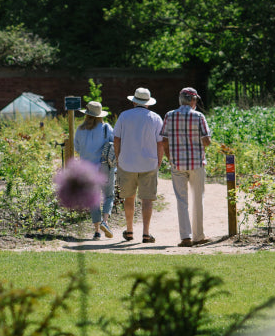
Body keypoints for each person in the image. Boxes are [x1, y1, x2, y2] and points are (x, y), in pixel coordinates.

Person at [160, 87, 211, 247]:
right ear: (193, 101)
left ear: (181, 100)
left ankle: (185, 237)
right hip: (196, 163)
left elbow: (164, 141)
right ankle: (199, 235)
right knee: (198, 199)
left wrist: (170, 158)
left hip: (177, 164)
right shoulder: (199, 116)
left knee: (181, 200)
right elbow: (207, 141)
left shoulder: (169, 115)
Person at [112, 87, 163, 243]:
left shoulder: (124, 116)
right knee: (147, 199)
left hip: (127, 162)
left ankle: (129, 231)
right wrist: (159, 161)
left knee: (129, 198)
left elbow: (116, 139)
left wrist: (118, 158)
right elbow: (160, 143)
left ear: (134, 101)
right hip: (149, 163)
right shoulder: (155, 118)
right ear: (148, 103)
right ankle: (146, 233)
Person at [73, 100, 115, 239]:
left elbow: (77, 148)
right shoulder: (106, 128)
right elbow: (114, 145)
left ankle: (97, 231)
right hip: (103, 167)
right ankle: (105, 221)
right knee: (109, 195)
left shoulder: (80, 129)